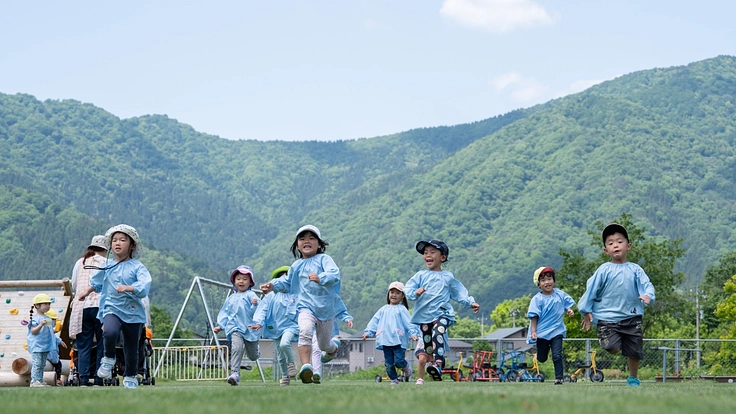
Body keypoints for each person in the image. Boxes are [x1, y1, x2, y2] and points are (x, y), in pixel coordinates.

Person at [260, 225, 347, 384]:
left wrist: (321, 278)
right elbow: (287, 282)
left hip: (326, 310)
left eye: (311, 238)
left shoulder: (324, 259)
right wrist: (272, 285)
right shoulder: (296, 266)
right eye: (302, 238)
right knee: (305, 331)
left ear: (319, 244)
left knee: (323, 343)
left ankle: (331, 349)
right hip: (305, 308)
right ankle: (306, 366)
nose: (307, 241)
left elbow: (334, 274)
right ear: (297, 245)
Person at [578, 223, 656, 387]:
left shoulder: (636, 269)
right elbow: (591, 289)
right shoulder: (604, 270)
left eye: (619, 241)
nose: (615, 245)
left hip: (632, 316)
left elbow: (647, 284)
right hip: (608, 319)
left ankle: (633, 378)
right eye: (611, 242)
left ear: (628, 246)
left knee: (634, 350)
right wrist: (585, 310)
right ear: (606, 250)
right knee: (612, 347)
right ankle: (611, 340)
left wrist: (648, 295)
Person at [77, 224, 152, 389]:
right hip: (111, 308)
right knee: (109, 331)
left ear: (132, 245)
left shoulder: (137, 267)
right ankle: (108, 358)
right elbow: (97, 282)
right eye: (114, 240)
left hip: (133, 313)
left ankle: (130, 377)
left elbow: (144, 286)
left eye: (122, 240)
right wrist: (86, 292)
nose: (117, 243)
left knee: (131, 348)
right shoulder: (107, 265)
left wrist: (129, 288)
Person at [404, 239, 480, 385]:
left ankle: (438, 365)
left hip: (442, 314)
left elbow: (459, 292)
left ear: (442, 257)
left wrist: (470, 302)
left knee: (438, 332)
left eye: (432, 252)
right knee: (427, 345)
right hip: (424, 317)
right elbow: (407, 289)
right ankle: (435, 362)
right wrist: (415, 292)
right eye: (425, 253)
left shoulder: (448, 277)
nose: (428, 255)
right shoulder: (420, 275)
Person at [362, 281, 419, 385]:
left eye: (397, 293)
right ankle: (394, 379)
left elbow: (409, 323)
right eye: (392, 292)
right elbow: (374, 321)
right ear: (388, 294)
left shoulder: (402, 309)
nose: (394, 295)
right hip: (385, 341)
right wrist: (368, 332)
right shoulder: (383, 310)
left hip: (399, 341)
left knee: (398, 361)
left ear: (402, 296)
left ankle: (406, 368)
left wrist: (413, 333)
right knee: (389, 364)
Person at [250, 265, 299, 386]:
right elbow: (263, 310)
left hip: (291, 326)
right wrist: (258, 323)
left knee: (285, 343)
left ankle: (292, 364)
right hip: (276, 328)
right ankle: (285, 376)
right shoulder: (271, 296)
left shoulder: (295, 295)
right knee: (280, 356)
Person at [526, 266, 575, 385]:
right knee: (541, 358)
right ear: (538, 284)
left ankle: (559, 378)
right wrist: (533, 331)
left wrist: (569, 310)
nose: (547, 282)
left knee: (557, 355)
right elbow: (534, 316)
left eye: (549, 278)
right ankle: (543, 350)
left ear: (554, 280)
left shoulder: (560, 294)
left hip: (557, 331)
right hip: (542, 333)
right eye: (543, 280)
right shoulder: (537, 299)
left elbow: (566, 303)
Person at [70, 234, 107, 386]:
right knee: (102, 344)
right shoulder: (107, 262)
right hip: (101, 306)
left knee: (84, 345)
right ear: (105, 249)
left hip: (82, 307)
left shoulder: (81, 262)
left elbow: (74, 284)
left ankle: (84, 378)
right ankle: (99, 378)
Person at [214, 265, 261, 386]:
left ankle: (256, 350)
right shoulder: (231, 298)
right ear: (234, 281)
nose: (241, 281)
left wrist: (254, 305)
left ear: (250, 282)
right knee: (236, 348)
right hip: (235, 328)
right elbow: (225, 313)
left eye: (245, 279)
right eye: (239, 278)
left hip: (250, 329)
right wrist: (220, 326)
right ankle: (235, 373)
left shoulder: (252, 295)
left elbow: (258, 311)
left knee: (253, 356)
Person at [311, 299, 353, 384]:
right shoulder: (311, 294)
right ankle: (317, 373)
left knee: (326, 346)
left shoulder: (331, 295)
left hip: (330, 329)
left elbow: (340, 309)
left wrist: (347, 318)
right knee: (316, 348)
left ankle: (333, 347)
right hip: (315, 329)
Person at [27, 293, 56, 387]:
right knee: (37, 363)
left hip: (45, 345)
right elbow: (33, 331)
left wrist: (58, 340)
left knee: (42, 364)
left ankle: (40, 380)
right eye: (45, 304)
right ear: (37, 306)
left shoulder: (47, 318)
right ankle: (34, 381)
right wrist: (41, 325)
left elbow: (50, 332)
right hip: (37, 346)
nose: (48, 306)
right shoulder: (34, 319)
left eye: (49, 304)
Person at [45, 309, 68, 386]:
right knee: (58, 364)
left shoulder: (47, 328)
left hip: (47, 353)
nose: (55, 322)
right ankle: (58, 379)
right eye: (54, 320)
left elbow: (53, 336)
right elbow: (50, 335)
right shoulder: (47, 326)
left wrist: (60, 341)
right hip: (51, 354)